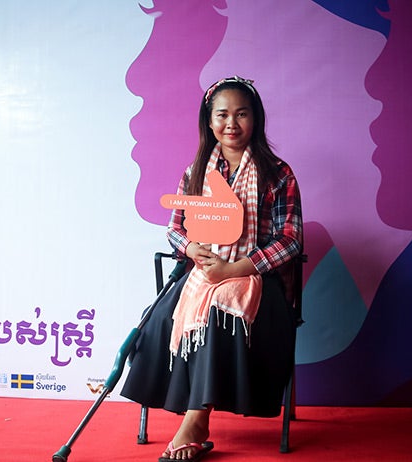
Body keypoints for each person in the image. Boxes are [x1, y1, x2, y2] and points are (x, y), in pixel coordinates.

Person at [120, 76, 303, 461]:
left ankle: (196, 421)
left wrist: (237, 267)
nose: (231, 124)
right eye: (222, 114)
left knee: (221, 309)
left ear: (256, 119)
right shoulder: (197, 170)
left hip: (258, 278)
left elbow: (290, 240)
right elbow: (175, 228)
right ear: (209, 119)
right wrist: (192, 248)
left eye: (241, 114)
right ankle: (186, 412)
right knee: (161, 318)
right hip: (205, 270)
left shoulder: (277, 173)